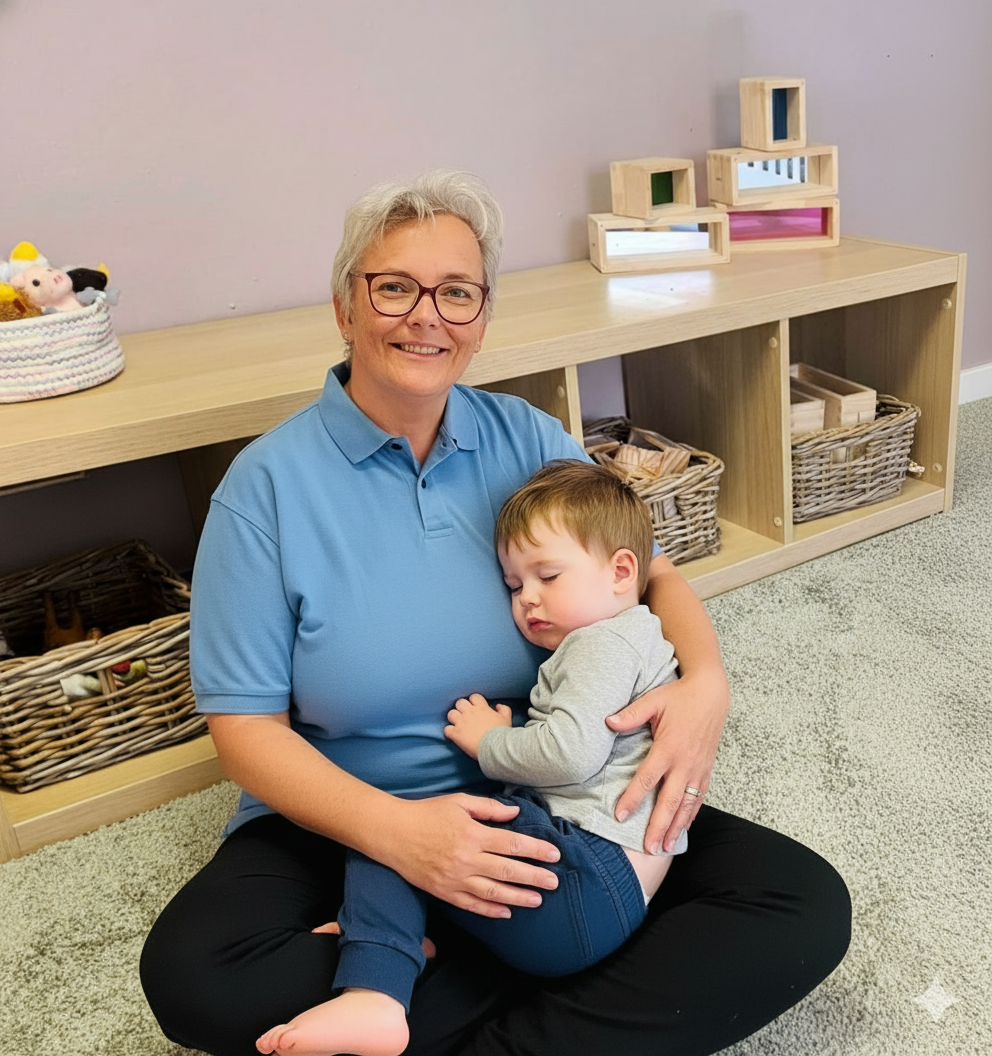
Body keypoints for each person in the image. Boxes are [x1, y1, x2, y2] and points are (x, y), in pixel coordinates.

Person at [140, 169, 851, 1056]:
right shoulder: (265, 490)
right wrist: (402, 837)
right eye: (394, 287)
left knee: (800, 903)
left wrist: (706, 685)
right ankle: (490, 974)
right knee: (194, 978)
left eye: (457, 293)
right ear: (344, 307)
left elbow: (651, 579)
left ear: (481, 319)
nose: (426, 315)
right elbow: (245, 731)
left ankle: (407, 992)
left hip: (552, 797)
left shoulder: (530, 440)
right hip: (351, 820)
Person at [256, 459, 689, 1056]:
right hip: (605, 894)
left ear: (621, 571)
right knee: (431, 840)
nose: (528, 600)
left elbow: (569, 755)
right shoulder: (632, 638)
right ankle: (397, 931)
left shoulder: (603, 643)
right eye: (515, 586)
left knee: (398, 832)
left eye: (548, 576)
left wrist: (490, 741)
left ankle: (376, 989)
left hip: (585, 879)